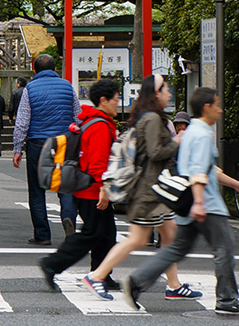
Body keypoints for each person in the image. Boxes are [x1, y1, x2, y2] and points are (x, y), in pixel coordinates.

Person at [122, 87, 239, 314]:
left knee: (176, 249)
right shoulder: (203, 134)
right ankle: (226, 300)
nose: (220, 110)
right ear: (207, 108)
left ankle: (136, 281)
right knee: (224, 249)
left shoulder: (191, 132)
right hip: (206, 204)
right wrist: (200, 202)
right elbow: (199, 172)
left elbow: (205, 168)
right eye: (217, 105)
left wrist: (236, 184)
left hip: (185, 203)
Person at [83, 74, 200, 301]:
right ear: (155, 93)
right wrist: (177, 142)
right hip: (149, 192)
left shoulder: (149, 117)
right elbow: (155, 153)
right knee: (136, 239)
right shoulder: (152, 120)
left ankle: (174, 285)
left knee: (170, 235)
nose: (168, 92)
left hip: (156, 191)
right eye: (165, 88)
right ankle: (96, 276)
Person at [39, 80, 120, 292]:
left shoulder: (91, 121)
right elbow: (98, 162)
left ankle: (101, 275)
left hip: (86, 188)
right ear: (104, 100)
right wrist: (103, 188)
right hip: (93, 190)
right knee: (92, 234)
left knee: (106, 234)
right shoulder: (100, 126)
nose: (118, 103)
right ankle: (52, 264)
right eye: (116, 99)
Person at [13, 54, 81, 246]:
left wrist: (17, 148)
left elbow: (22, 121)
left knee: (36, 190)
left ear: (34, 70)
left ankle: (42, 234)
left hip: (38, 143)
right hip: (63, 142)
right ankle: (68, 218)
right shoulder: (67, 86)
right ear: (54, 69)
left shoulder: (30, 89)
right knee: (66, 186)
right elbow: (78, 116)